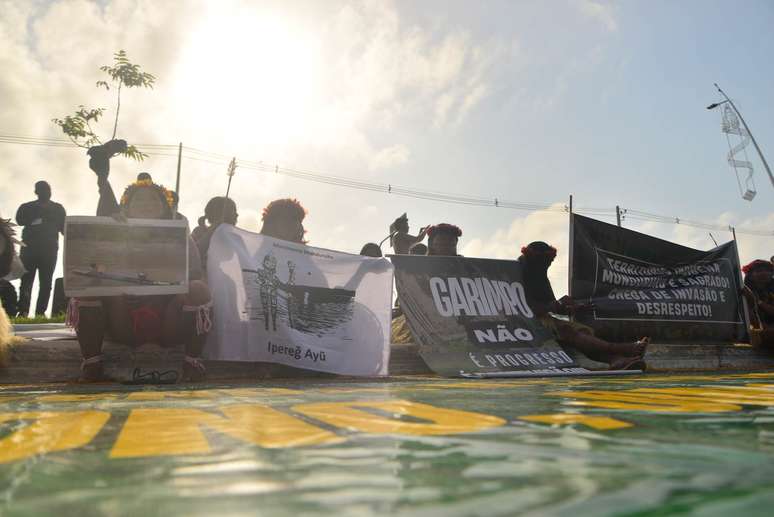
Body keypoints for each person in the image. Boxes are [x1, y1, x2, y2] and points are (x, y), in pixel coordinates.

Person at [69, 139, 212, 382]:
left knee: (199, 289)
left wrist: (163, 288)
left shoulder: (180, 233)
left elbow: (195, 273)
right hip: (123, 317)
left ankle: (192, 362)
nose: (146, 205)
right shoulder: (114, 230)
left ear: (165, 207)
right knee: (85, 287)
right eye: (139, 200)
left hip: (167, 319)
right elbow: (95, 267)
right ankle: (91, 363)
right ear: (127, 207)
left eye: (152, 201)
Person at [518, 241, 649, 370]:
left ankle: (616, 360)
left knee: (583, 331)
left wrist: (572, 308)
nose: (548, 265)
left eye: (550, 262)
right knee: (567, 331)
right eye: (545, 262)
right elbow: (527, 308)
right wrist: (556, 305)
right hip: (524, 322)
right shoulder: (518, 273)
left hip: (544, 318)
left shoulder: (540, 274)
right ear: (535, 259)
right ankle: (622, 349)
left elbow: (552, 306)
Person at [15, 181, 66, 316]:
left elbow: (65, 229)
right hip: (29, 250)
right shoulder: (27, 207)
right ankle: (24, 311)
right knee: (26, 281)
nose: (46, 192)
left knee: (46, 282)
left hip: (49, 251)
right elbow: (19, 220)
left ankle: (40, 312)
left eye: (48, 190)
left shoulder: (58, 209)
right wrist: (38, 214)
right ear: (36, 192)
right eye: (42, 190)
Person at [196, 196, 238, 271]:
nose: (237, 215)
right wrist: (216, 226)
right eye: (233, 211)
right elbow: (197, 252)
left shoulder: (232, 236)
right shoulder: (199, 231)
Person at [741, 259, 774, 347]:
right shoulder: (744, 291)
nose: (764, 273)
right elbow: (750, 318)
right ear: (750, 275)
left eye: (768, 270)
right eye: (759, 270)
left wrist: (758, 302)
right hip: (756, 334)